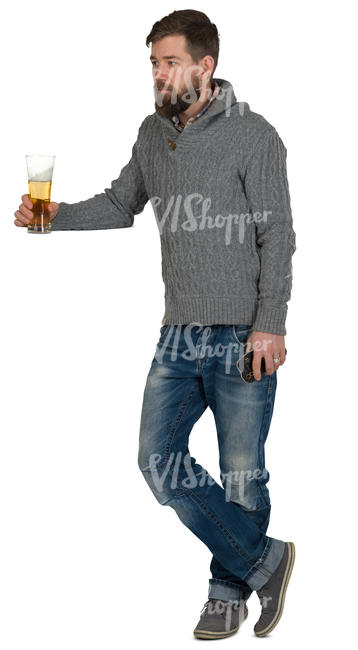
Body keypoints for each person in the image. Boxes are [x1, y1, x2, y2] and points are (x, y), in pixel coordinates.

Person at [14, 9, 297, 640]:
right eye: (153, 63)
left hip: (241, 333)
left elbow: (277, 234)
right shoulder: (152, 134)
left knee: (241, 469)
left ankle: (226, 595)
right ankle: (264, 560)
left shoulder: (256, 135)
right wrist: (52, 215)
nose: (159, 74)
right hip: (178, 334)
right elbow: (121, 205)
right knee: (157, 460)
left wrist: (269, 324)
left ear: (206, 66)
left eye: (170, 62)